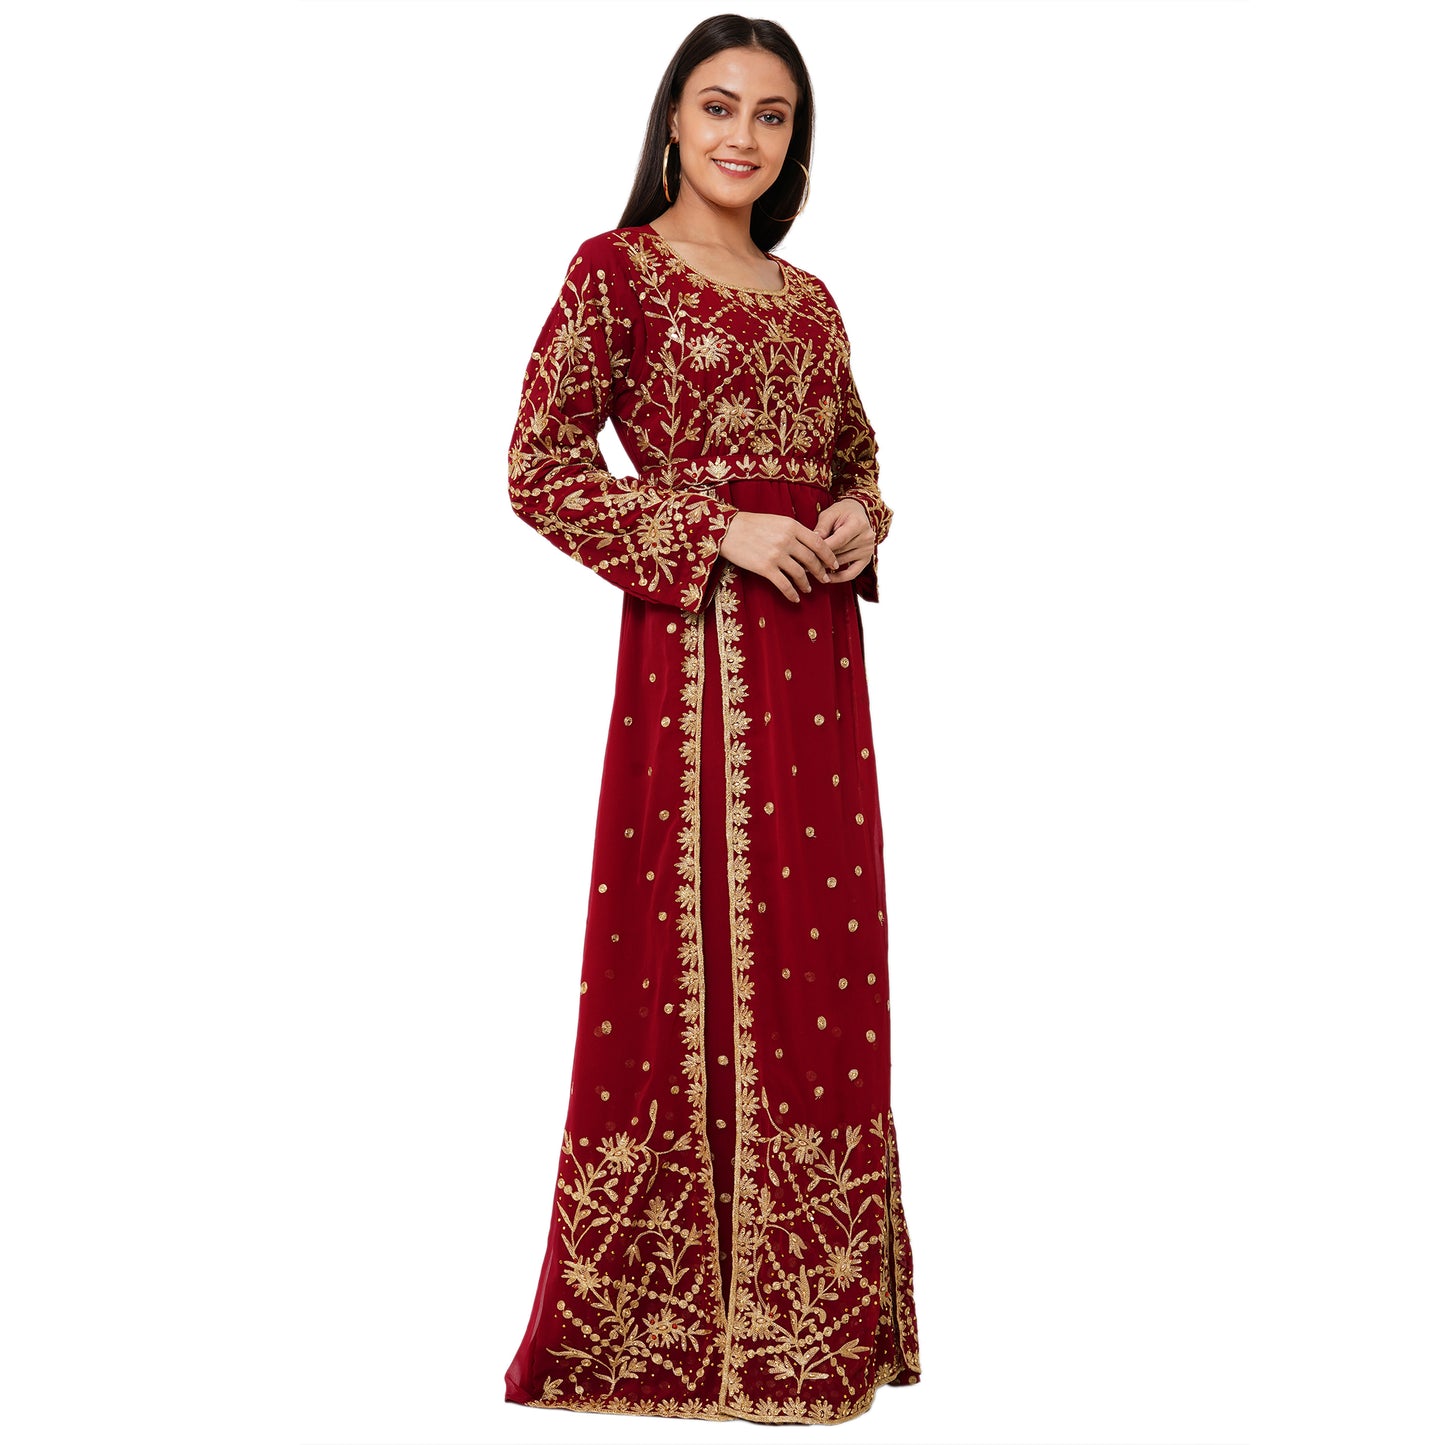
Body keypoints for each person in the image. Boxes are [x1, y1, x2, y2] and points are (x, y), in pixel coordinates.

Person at [501, 13, 920, 1425]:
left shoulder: (810, 301)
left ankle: (813, 1326)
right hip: (695, 663)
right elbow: (539, 465)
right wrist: (711, 529)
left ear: (795, 144)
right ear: (672, 121)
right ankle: (671, 1328)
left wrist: (861, 517)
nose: (744, 135)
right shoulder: (614, 273)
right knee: (695, 949)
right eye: (719, 105)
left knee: (821, 957)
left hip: (820, 673)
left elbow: (856, 456)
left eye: (773, 116)